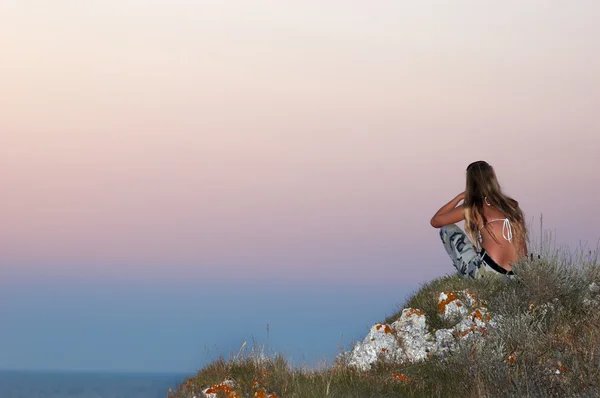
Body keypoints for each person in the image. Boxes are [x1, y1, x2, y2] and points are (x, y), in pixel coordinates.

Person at [430, 161, 528, 279]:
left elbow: (435, 221)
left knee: (446, 228)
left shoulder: (474, 207)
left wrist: (460, 197)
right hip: (517, 275)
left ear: (470, 183)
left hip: (489, 274)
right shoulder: (512, 206)